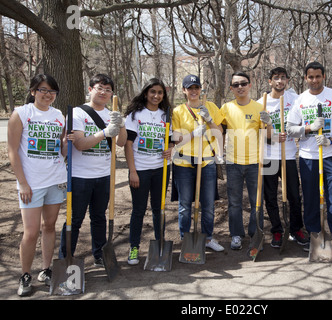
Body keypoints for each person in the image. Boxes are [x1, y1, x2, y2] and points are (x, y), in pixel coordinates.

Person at [286, 61, 332, 257]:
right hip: (308, 158)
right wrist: (308, 128)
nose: (314, 80)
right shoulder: (300, 100)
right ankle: (314, 237)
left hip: (331, 156)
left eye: (318, 76)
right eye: (311, 77)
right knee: (310, 200)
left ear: (324, 76)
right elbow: (290, 128)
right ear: (305, 78)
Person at [8, 74, 68, 296]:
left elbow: (61, 151)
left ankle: (46, 269)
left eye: (52, 91)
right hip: (31, 184)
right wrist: (22, 183)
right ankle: (25, 275)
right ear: (33, 91)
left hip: (55, 180)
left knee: (49, 227)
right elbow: (12, 151)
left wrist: (66, 142)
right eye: (43, 90)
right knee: (31, 232)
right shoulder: (22, 114)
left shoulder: (59, 116)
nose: (47, 95)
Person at [59, 74, 127, 267]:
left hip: (104, 175)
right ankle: (65, 258)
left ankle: (99, 254)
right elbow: (80, 144)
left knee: (99, 217)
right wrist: (105, 132)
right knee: (75, 219)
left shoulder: (111, 113)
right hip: (80, 176)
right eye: (100, 88)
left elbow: (121, 142)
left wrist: (120, 125)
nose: (104, 92)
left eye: (108, 90)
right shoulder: (78, 114)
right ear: (90, 89)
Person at [171, 74, 225, 252]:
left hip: (206, 163)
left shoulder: (210, 106)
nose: (194, 91)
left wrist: (209, 121)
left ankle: (208, 238)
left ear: (201, 89)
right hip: (184, 164)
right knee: (185, 206)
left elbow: (219, 133)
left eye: (197, 88)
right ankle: (186, 240)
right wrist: (194, 134)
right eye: (190, 88)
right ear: (184, 90)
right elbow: (176, 139)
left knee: (208, 205)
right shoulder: (178, 111)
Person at [124, 79, 174, 265]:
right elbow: (128, 145)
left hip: (161, 169)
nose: (156, 96)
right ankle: (134, 246)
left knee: (158, 209)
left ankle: (159, 243)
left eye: (160, 92)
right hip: (141, 169)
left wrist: (170, 148)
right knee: (138, 210)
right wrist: (132, 171)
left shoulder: (166, 115)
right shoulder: (135, 115)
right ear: (146, 93)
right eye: (153, 92)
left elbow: (170, 139)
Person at [220, 71, 272, 250]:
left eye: (243, 83)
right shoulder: (226, 108)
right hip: (233, 162)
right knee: (234, 202)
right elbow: (218, 130)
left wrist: (269, 122)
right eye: (236, 85)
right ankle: (236, 234)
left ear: (250, 85)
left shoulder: (259, 107)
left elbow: (269, 137)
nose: (240, 87)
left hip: (255, 163)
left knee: (256, 200)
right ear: (231, 88)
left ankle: (254, 233)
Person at [256, 67, 307, 248]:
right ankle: (277, 231)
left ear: (287, 81)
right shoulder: (261, 103)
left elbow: (302, 125)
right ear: (270, 81)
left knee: (294, 194)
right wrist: (272, 135)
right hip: (269, 157)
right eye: (276, 78)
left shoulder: (295, 100)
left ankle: (296, 229)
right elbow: (256, 133)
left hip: (289, 156)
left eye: (283, 78)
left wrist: (296, 132)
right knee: (270, 196)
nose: (279, 81)